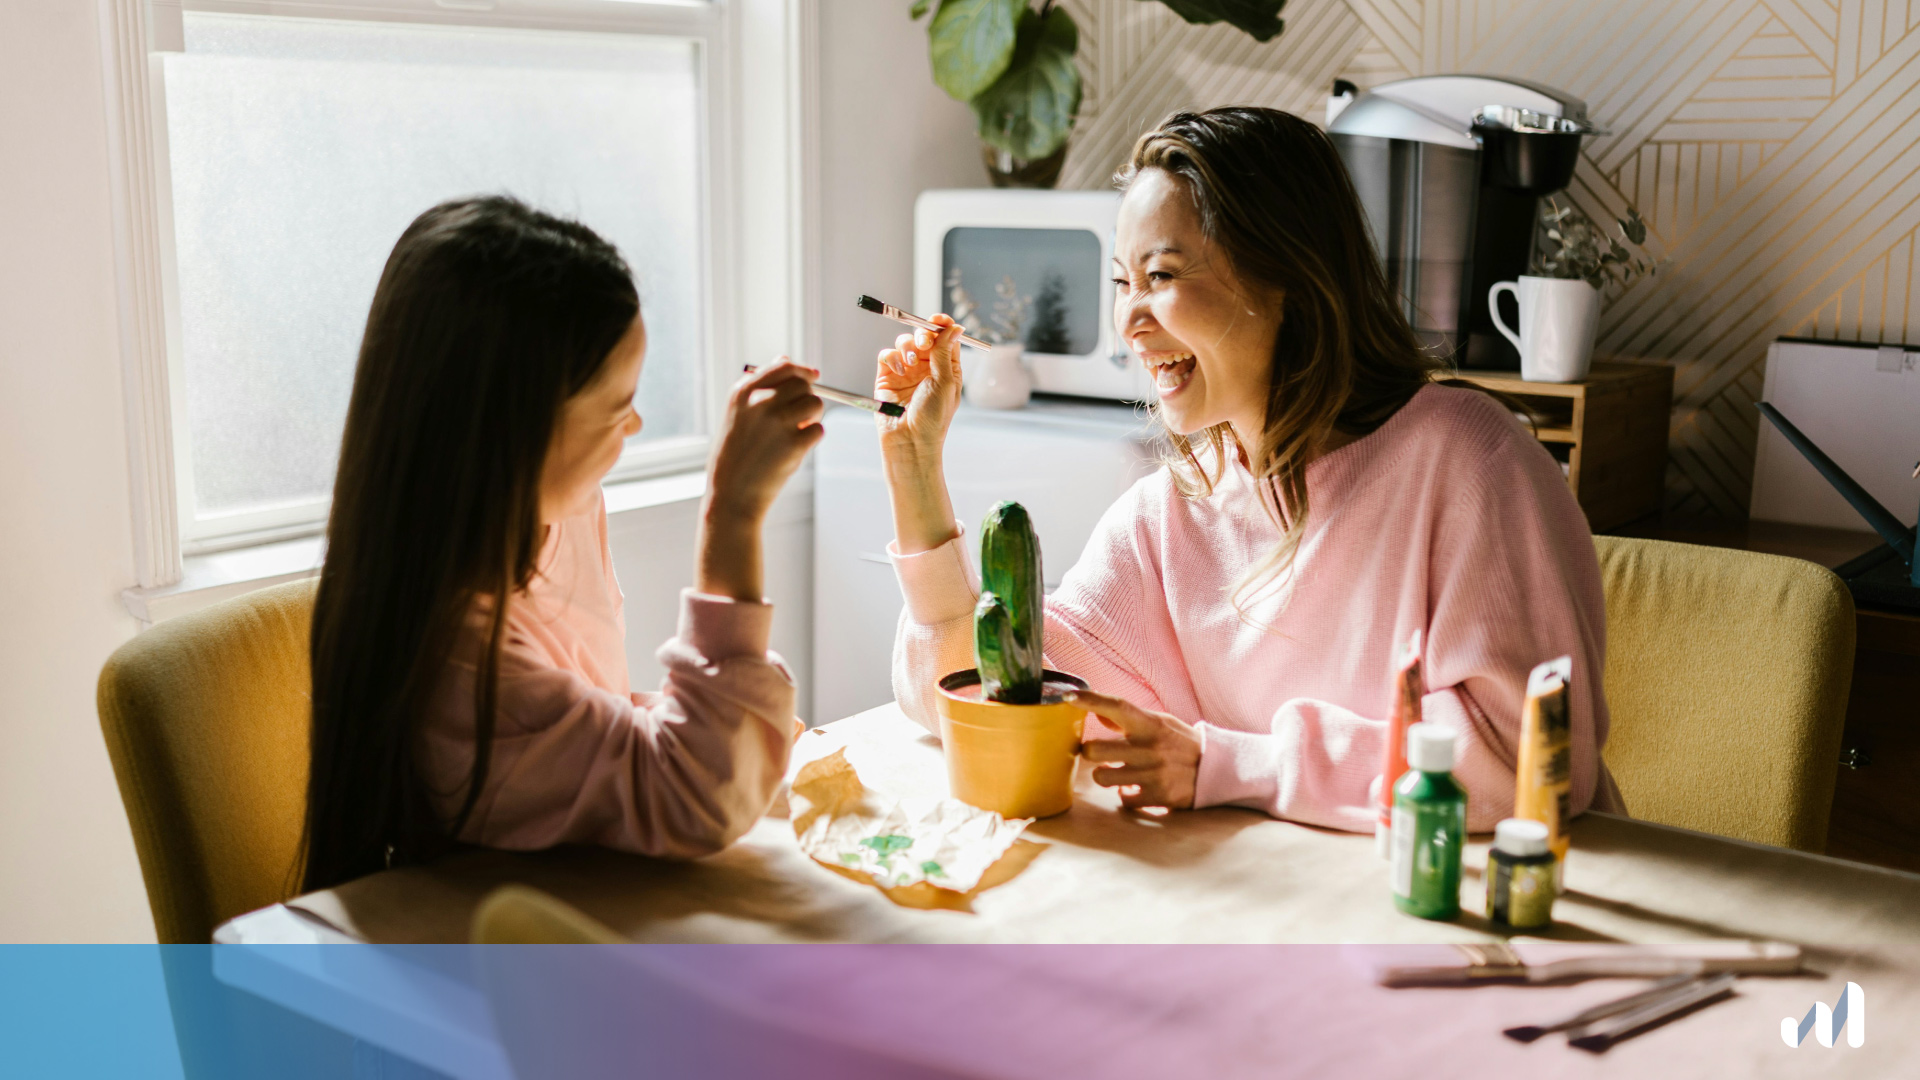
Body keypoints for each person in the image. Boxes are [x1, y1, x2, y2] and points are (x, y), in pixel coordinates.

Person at [876, 108, 1624, 832]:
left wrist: (1227, 764)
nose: (1130, 322)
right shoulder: (1167, 516)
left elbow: (1523, 759)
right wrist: (915, 479)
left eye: (1161, 274)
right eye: (1119, 282)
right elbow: (983, 697)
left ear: (1287, 277)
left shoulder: (1467, 459)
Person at [301, 196, 822, 891]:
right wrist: (733, 516)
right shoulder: (456, 661)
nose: (634, 424)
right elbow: (699, 798)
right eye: (615, 409)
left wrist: (725, 718)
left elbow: (579, 724)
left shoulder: (560, 517)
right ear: (507, 436)